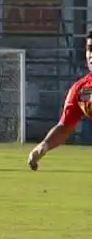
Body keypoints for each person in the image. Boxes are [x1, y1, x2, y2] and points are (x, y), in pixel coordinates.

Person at [28, 30, 92, 170]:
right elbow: (64, 127)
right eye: (89, 49)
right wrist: (42, 147)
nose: (91, 55)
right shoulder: (80, 90)